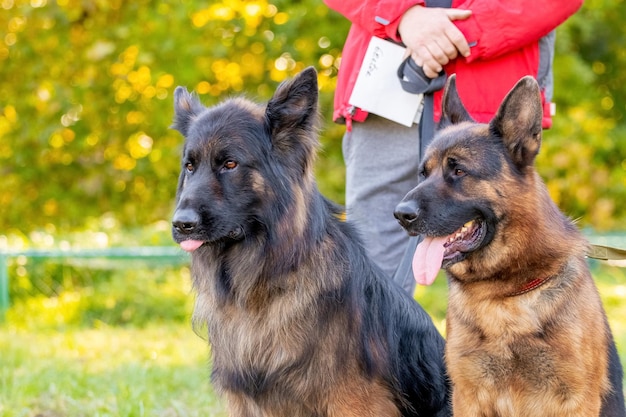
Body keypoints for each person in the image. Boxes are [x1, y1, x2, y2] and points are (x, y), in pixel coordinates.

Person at [323, 0, 583, 294]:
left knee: (506, 283)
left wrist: (457, 33)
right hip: (387, 85)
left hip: (490, 86)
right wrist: (403, 17)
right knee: (366, 278)